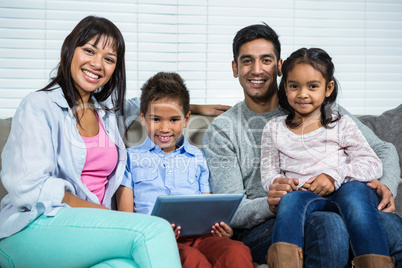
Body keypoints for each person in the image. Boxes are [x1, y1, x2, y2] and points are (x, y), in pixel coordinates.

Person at [0, 16, 228, 268]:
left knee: (126, 265)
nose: (97, 64)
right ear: (69, 50)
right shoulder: (38, 106)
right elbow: (29, 189)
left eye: (109, 59)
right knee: (155, 230)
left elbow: (144, 106)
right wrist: (102, 214)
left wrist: (193, 107)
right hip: (38, 224)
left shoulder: (107, 111)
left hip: (96, 230)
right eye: (89, 50)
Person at [202, 23, 402, 267]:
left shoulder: (322, 109)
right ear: (235, 68)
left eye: (266, 60)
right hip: (268, 225)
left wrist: (384, 190)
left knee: (392, 227)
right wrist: (271, 202)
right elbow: (230, 209)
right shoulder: (223, 130)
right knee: (328, 225)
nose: (257, 70)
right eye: (247, 61)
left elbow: (384, 150)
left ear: (279, 67)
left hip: (335, 198)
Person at [261, 47, 394, 267]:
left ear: (328, 88)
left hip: (344, 191)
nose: (302, 94)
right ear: (285, 87)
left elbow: (372, 163)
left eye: (313, 86)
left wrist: (334, 175)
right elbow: (269, 172)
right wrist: (280, 185)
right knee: (290, 201)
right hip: (305, 196)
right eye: (294, 86)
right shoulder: (273, 129)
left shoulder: (341, 123)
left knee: (355, 193)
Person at [116, 71, 254, 268]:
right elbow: (127, 219)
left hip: (200, 237)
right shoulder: (130, 158)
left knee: (237, 250)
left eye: (174, 120)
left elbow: (208, 207)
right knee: (191, 259)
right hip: (157, 240)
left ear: (186, 119)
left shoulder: (198, 157)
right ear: (143, 118)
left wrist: (222, 228)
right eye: (156, 119)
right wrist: (157, 232)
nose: (165, 128)